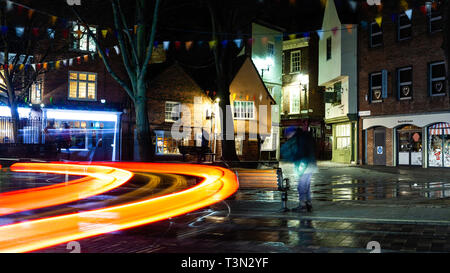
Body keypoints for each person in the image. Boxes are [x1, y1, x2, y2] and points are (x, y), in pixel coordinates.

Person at [281, 126, 317, 212]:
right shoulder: (303, 136)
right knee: (306, 186)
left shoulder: (298, 139)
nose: (287, 137)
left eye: (287, 135)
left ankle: (303, 205)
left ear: (291, 133)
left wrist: (295, 159)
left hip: (304, 165)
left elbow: (300, 152)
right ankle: (308, 203)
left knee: (301, 186)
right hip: (310, 164)